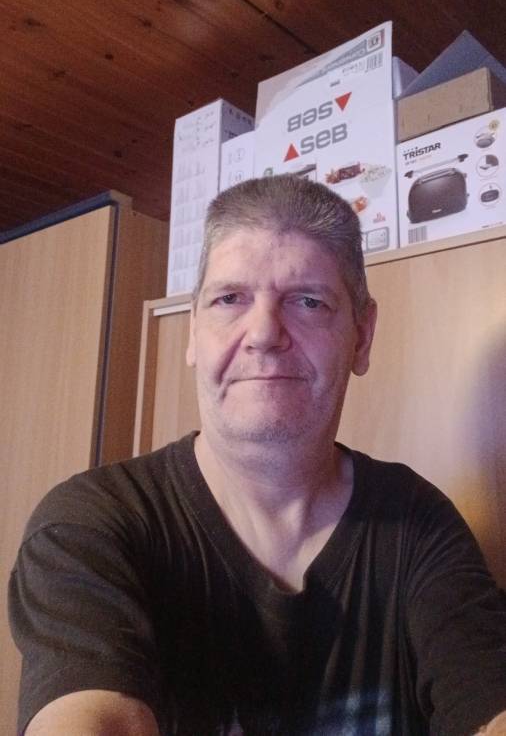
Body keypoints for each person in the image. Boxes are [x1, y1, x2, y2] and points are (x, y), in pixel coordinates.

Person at [8, 175, 506, 736]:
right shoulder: (91, 524)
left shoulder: (419, 521)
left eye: (308, 301)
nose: (264, 333)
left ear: (362, 337)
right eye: (229, 299)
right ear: (194, 332)